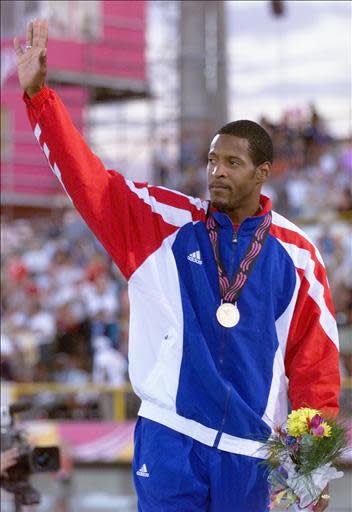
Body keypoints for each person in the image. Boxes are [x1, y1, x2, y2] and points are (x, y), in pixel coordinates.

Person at [14, 19, 340, 512]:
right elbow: (92, 184)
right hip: (170, 438)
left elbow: (315, 366)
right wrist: (40, 98)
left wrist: (311, 465)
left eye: (232, 163)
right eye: (212, 160)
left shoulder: (297, 257)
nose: (216, 172)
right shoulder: (161, 224)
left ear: (263, 173)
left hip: (250, 456)